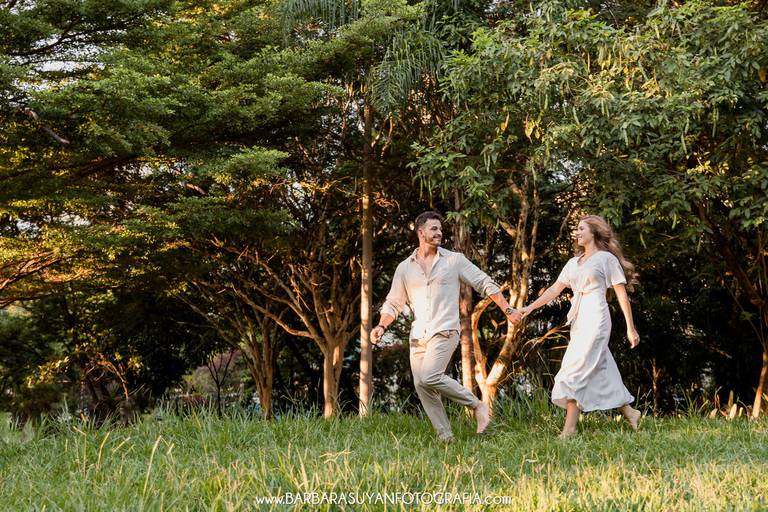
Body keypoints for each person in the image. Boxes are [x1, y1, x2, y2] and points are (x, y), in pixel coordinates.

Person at [371, 211, 522, 442]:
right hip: (418, 334)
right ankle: (445, 437)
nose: (439, 233)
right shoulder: (405, 268)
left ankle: (478, 406)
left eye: (440, 229)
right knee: (421, 384)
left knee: (430, 376)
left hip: (445, 330)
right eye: (434, 229)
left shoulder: (454, 260)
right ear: (420, 232)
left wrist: (507, 309)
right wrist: (381, 326)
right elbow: (393, 303)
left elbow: (483, 282)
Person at [520, 215, 641, 438]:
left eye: (581, 228)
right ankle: (630, 413)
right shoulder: (573, 263)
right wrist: (528, 308)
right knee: (601, 368)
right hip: (579, 320)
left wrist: (630, 328)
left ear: (594, 232)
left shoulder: (606, 259)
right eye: (576, 228)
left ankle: (570, 429)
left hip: (597, 317)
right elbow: (554, 290)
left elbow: (621, 294)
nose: (577, 232)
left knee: (574, 370)